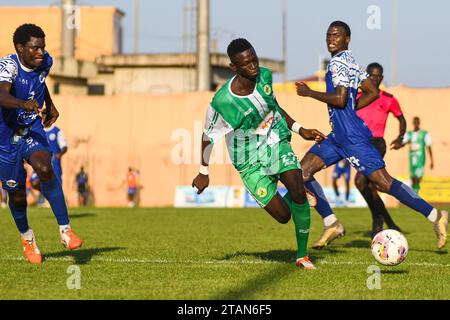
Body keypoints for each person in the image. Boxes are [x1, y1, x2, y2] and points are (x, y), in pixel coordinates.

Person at [295, 21, 447, 249]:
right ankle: (332, 223)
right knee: (302, 171)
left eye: (336, 35)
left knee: (384, 183)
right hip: (339, 135)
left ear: (347, 39)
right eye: (328, 35)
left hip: (352, 137)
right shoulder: (350, 60)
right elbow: (373, 92)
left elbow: (340, 99)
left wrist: (309, 93)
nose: (331, 39)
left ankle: (436, 216)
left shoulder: (338, 63)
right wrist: (349, 113)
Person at [192, 38, 326, 269]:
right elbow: (207, 136)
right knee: (283, 216)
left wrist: (300, 129)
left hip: (274, 140)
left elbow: (274, 108)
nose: (254, 66)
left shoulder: (265, 76)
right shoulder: (222, 103)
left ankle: (302, 256)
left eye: (255, 59)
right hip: (248, 161)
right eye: (247, 63)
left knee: (296, 189)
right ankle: (297, 196)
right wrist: (203, 172)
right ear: (234, 67)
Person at [0, 24, 83, 264]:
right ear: (20, 48)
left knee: (46, 169)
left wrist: (51, 104)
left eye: (43, 47)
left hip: (31, 129)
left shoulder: (45, 61)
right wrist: (21, 103)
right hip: (5, 137)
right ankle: (27, 238)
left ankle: (66, 231)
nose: (40, 52)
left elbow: (40, 81)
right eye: (35, 48)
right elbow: (2, 94)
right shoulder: (8, 66)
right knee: (16, 194)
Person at [355, 62, 404, 237]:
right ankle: (388, 222)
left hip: (377, 143)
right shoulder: (358, 96)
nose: (375, 79)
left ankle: (378, 220)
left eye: (378, 76)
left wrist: (400, 137)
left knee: (361, 181)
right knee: (371, 186)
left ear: (382, 78)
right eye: (372, 76)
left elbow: (401, 119)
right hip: (359, 144)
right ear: (367, 76)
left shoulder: (388, 98)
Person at [402, 116, 433, 193]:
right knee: (412, 177)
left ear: (419, 123)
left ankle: (416, 194)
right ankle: (414, 195)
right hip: (412, 158)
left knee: (418, 177)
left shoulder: (424, 133)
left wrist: (432, 160)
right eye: (414, 122)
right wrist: (400, 143)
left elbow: (429, 146)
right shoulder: (409, 134)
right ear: (413, 123)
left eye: (417, 122)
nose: (416, 123)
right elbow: (402, 143)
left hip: (420, 158)